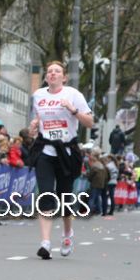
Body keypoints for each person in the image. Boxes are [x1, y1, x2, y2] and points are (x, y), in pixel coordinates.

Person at [28, 60, 94, 260]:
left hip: (67, 152)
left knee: (65, 198)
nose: (53, 74)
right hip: (45, 150)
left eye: (57, 71)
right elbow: (38, 119)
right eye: (49, 71)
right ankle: (45, 243)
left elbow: (90, 122)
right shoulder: (38, 95)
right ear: (46, 77)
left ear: (64, 77)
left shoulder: (73, 94)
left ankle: (67, 234)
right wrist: (34, 125)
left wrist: (73, 110)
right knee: (46, 195)